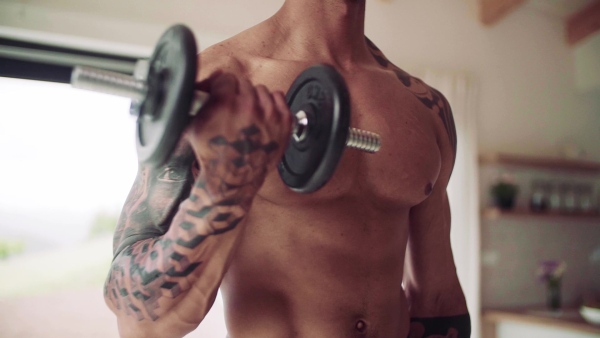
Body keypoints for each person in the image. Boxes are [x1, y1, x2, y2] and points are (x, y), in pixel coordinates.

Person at [104, 0, 470, 337]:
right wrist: (225, 181)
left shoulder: (425, 107)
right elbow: (140, 321)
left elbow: (438, 301)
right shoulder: (215, 82)